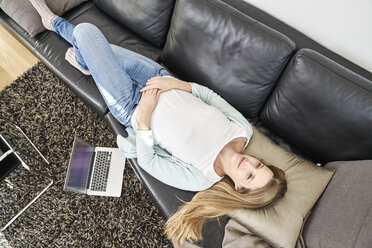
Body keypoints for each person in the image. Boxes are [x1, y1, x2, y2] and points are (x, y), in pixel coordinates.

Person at [30, 0, 287, 245]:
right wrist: (173, 83)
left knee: (87, 33)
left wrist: (144, 118)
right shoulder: (242, 130)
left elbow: (149, 161)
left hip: (130, 105)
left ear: (239, 187)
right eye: (259, 164)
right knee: (95, 46)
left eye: (250, 175)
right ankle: (84, 59)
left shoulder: (202, 177)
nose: (250, 164)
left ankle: (55, 25)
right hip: (157, 77)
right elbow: (209, 96)